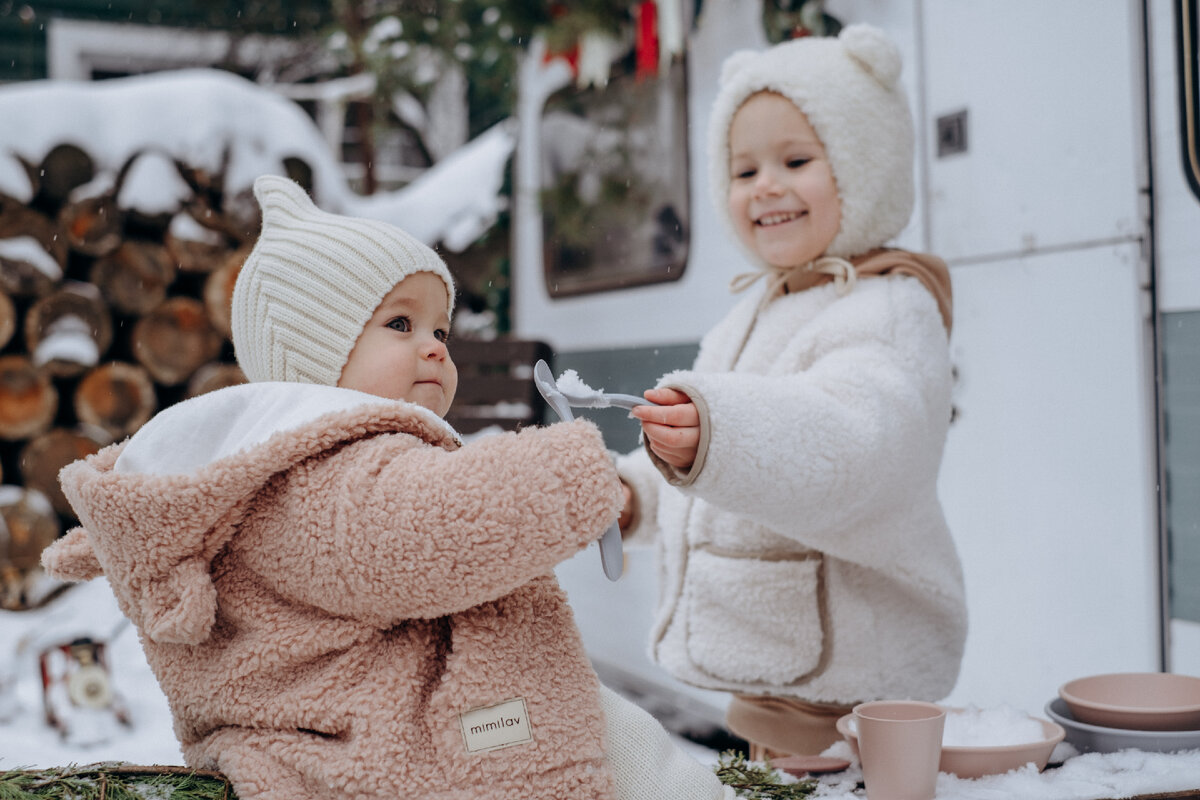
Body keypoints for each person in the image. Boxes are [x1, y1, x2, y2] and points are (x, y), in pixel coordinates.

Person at [42, 175, 733, 800]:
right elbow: (435, 529)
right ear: (312, 357)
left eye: (440, 327)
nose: (436, 346)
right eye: (399, 324)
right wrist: (574, 479)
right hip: (389, 744)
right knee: (592, 732)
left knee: (592, 720)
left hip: (386, 715)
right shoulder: (327, 474)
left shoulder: (297, 462)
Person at [617, 24, 968, 760]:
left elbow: (848, 447)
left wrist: (716, 433)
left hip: (846, 696)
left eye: (797, 160)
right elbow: (706, 463)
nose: (765, 186)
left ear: (864, 164)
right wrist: (636, 492)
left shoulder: (888, 309)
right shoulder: (760, 307)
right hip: (774, 678)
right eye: (743, 172)